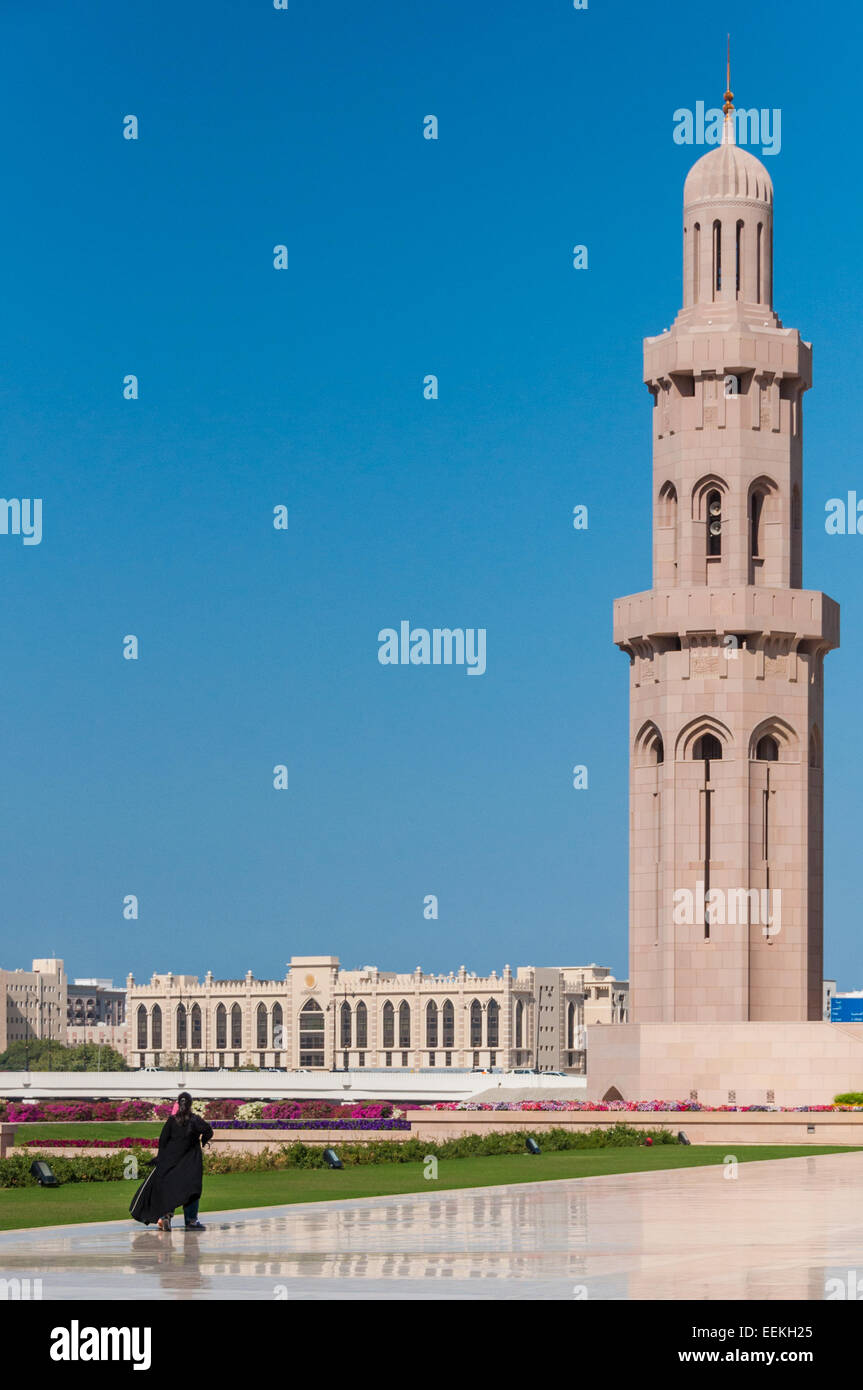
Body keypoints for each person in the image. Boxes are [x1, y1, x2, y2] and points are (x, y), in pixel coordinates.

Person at [130, 1092, 213, 1231]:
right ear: (190, 1104)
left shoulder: (171, 1121)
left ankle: (165, 1217)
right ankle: (191, 1221)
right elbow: (208, 1130)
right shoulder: (195, 1120)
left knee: (169, 1190)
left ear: (178, 1104)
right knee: (192, 1190)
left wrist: (160, 1159)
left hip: (170, 1162)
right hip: (190, 1164)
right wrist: (203, 1141)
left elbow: (162, 1142)